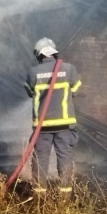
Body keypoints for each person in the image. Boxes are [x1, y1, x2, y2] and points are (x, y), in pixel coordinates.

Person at [24, 37, 82, 194]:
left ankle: (39, 194)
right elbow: (75, 90)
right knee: (64, 156)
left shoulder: (33, 72)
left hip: (42, 127)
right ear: (54, 53)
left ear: (38, 54)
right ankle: (65, 194)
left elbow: (30, 93)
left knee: (41, 158)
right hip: (64, 124)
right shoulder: (69, 69)